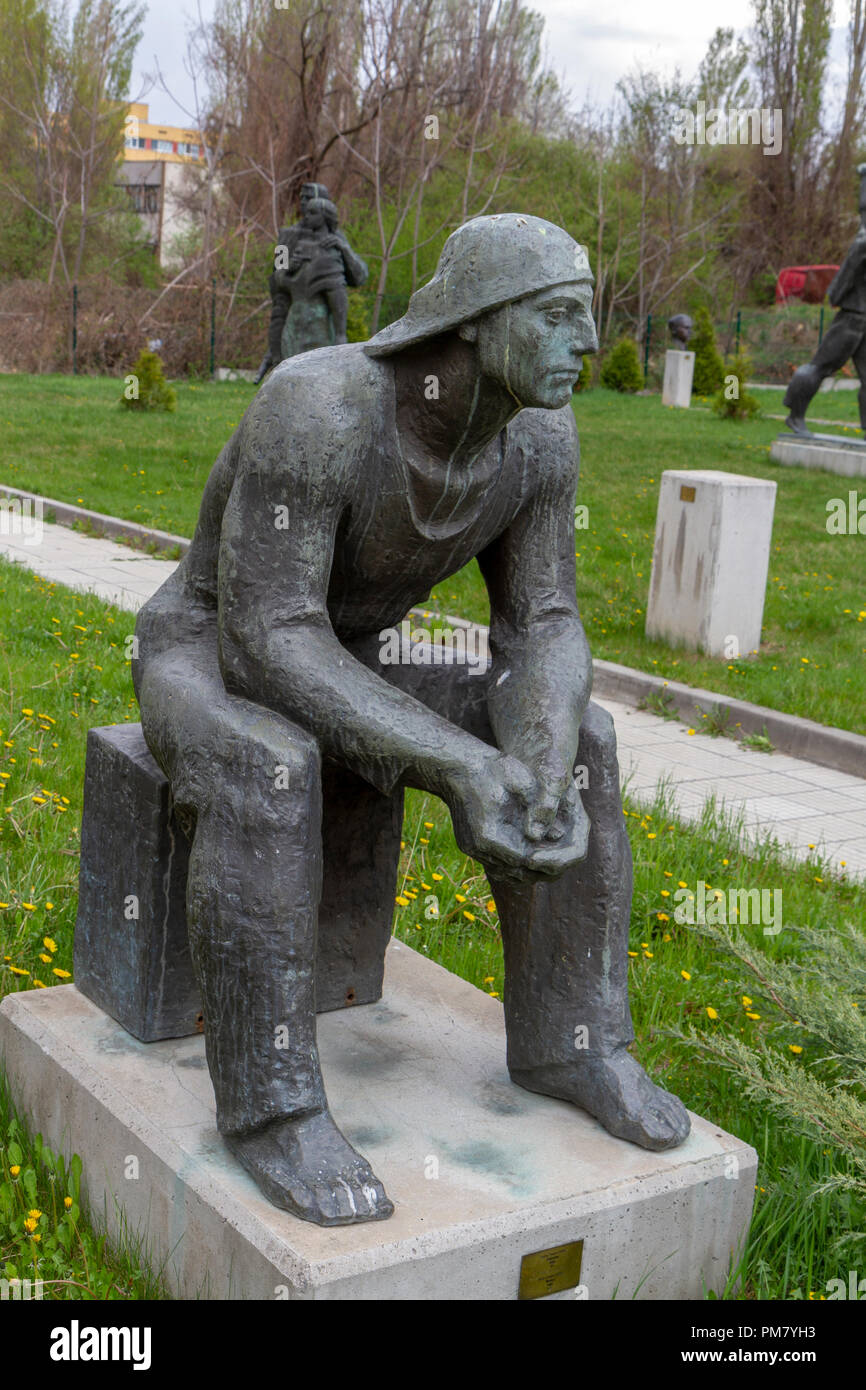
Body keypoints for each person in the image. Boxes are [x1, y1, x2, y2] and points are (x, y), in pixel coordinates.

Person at [133, 213, 690, 1227]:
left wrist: (535, 755)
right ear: (476, 322)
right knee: (269, 766)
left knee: (587, 746)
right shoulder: (318, 406)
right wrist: (454, 763)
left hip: (345, 657)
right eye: (559, 319)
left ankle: (577, 1042)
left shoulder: (537, 440)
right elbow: (266, 636)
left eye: (589, 320)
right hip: (206, 654)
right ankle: (273, 1109)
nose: (586, 344)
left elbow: (545, 624)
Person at [784, 164, 866, 436]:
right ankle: (795, 416)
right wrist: (844, 300)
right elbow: (840, 285)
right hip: (853, 317)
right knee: (820, 366)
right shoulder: (862, 242)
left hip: (862, 318)